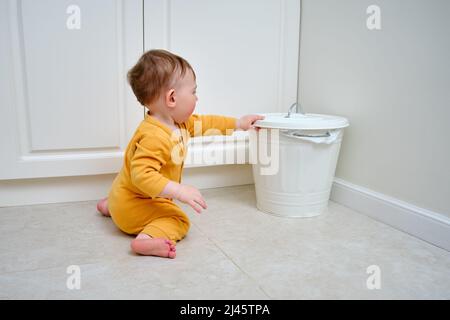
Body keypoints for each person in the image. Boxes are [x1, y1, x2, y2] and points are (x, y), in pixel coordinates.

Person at [96, 49, 264, 258]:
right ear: (172, 98)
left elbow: (208, 123)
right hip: (134, 206)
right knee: (179, 220)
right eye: (193, 91)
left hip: (121, 196)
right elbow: (142, 176)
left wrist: (238, 123)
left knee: (125, 195)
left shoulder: (179, 124)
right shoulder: (155, 137)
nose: (197, 97)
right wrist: (179, 191)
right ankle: (146, 240)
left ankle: (110, 206)